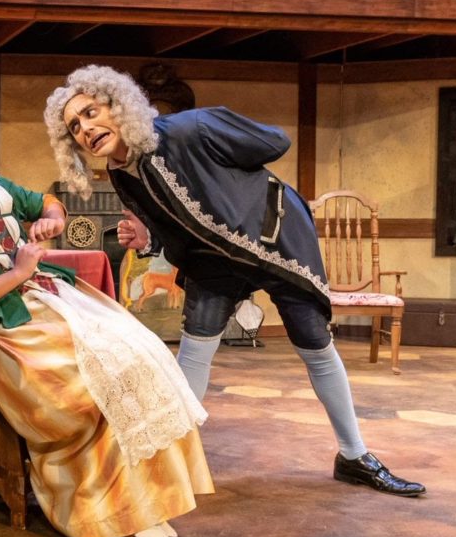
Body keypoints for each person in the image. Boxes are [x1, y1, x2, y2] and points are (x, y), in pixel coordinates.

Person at [44, 65, 425, 498]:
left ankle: (354, 456)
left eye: (91, 112)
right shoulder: (120, 172)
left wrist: (240, 194)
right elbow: (171, 228)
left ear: (116, 104)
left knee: (314, 345)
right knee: (194, 350)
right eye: (74, 126)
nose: (86, 128)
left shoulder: (191, 127)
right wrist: (149, 239)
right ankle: (172, 463)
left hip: (275, 241)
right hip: (214, 262)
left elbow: (273, 142)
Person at [0, 102, 214, 537]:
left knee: (142, 355)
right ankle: (121, 517)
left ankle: (154, 506)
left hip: (47, 302)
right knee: (94, 386)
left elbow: (49, 203)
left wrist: (53, 220)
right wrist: (19, 271)